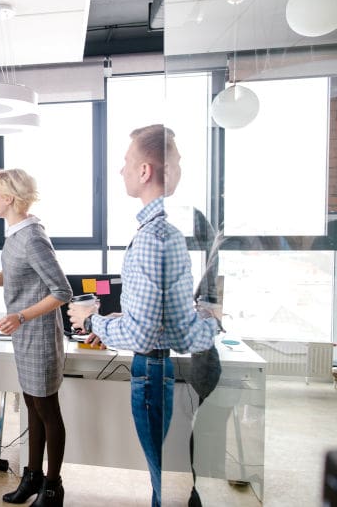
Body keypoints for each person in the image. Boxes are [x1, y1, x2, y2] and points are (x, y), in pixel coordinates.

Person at [68, 124, 218, 507]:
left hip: (151, 371)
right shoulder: (167, 230)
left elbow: (146, 335)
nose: (120, 171)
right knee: (163, 475)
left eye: (125, 162)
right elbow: (166, 317)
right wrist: (123, 316)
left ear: (145, 171)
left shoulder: (154, 237)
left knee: (161, 480)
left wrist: (90, 319)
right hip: (158, 368)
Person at [0, 169, 72, 506]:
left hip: (39, 334)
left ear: (9, 198)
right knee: (31, 404)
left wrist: (21, 315)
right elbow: (11, 276)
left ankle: (53, 487)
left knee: (46, 409)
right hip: (24, 335)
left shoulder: (32, 237)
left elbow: (62, 291)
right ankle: (33, 476)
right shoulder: (16, 236)